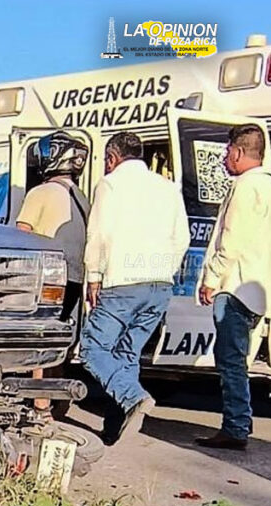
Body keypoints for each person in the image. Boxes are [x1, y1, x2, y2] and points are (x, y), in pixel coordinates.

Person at [81, 132, 190, 445]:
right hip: (159, 285)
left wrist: (94, 275)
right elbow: (182, 238)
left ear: (112, 158)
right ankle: (115, 428)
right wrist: (164, 269)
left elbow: (98, 234)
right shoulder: (168, 187)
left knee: (92, 349)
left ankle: (133, 397)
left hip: (122, 282)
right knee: (126, 353)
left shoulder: (110, 184)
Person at [196, 124, 271, 451]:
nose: (225, 157)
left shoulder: (246, 187)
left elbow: (231, 241)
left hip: (236, 287)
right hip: (260, 289)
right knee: (239, 358)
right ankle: (239, 421)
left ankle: (236, 426)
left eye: (227, 151)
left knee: (230, 360)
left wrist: (211, 278)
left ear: (238, 152)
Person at [16, 131, 91, 323]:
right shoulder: (82, 197)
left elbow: (21, 235)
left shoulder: (40, 192)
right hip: (75, 278)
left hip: (47, 278)